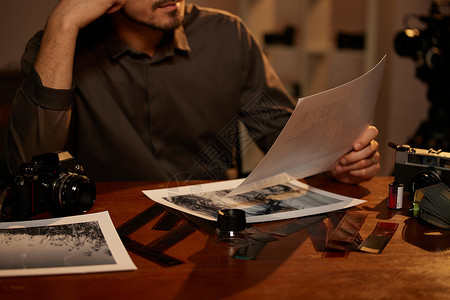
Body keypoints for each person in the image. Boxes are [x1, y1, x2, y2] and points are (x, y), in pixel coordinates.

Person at [6, 0, 380, 184]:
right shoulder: (58, 45)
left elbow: (285, 136)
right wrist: (63, 21)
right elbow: (29, 164)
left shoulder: (227, 35)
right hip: (110, 229)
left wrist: (335, 159)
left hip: (211, 233)